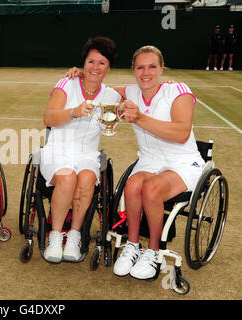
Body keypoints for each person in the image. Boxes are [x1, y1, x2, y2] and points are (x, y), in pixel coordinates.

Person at [66, 45, 204, 280]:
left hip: (182, 162)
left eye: (152, 66)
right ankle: (131, 246)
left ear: (161, 68)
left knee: (151, 189)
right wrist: (83, 74)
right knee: (131, 186)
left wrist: (140, 117)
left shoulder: (178, 90)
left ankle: (153, 251)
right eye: (140, 67)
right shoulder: (131, 92)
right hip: (149, 160)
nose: (146, 72)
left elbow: (181, 133)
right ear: (133, 70)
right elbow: (100, 89)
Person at [40, 37, 121, 263]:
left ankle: (75, 235)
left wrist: (168, 85)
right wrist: (74, 112)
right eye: (91, 61)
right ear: (83, 62)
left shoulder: (112, 96)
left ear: (109, 67)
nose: (95, 68)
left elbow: (141, 90)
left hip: (87, 152)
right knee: (67, 179)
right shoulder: (67, 83)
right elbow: (48, 117)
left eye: (102, 63)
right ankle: (55, 236)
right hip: (58, 146)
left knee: (85, 179)